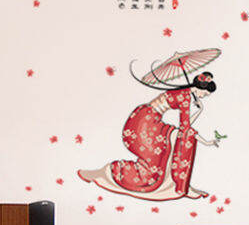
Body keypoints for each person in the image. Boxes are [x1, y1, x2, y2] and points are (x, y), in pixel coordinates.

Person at [78, 71, 218, 200]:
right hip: (145, 124)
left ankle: (182, 186)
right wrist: (205, 138)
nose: (203, 96)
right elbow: (185, 127)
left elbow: (184, 126)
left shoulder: (184, 93)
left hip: (144, 118)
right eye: (205, 94)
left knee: (169, 145)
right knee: (154, 165)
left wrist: (198, 114)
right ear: (200, 88)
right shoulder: (185, 97)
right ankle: (106, 173)